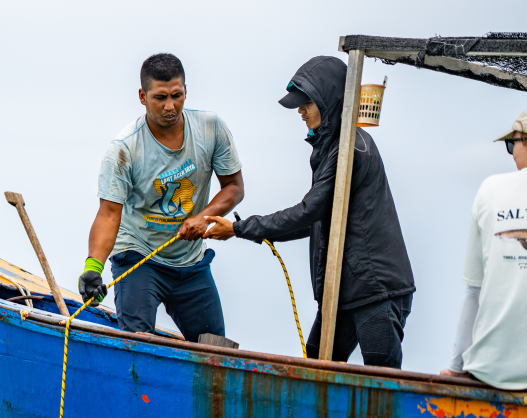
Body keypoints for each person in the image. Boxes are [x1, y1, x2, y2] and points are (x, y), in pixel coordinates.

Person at [203, 55, 415, 368]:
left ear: (329, 101)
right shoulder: (333, 147)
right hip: (347, 289)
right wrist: (245, 230)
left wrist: (239, 228)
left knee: (382, 377)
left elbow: (309, 210)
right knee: (316, 362)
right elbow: (316, 219)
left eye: (306, 103)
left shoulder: (351, 149)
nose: (300, 111)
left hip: (376, 289)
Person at [79, 53, 244, 342]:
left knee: (216, 349)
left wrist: (203, 217)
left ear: (185, 91)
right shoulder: (124, 148)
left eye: (176, 95)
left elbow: (234, 187)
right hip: (140, 256)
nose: (170, 106)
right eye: (160, 97)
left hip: (191, 261)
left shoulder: (211, 128)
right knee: (136, 343)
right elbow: (108, 214)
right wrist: (93, 267)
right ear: (142, 96)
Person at [440, 100, 527, 389]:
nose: (512, 155)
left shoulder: (490, 189)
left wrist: (456, 367)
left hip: (490, 371)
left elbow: (473, 290)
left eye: (511, 145)